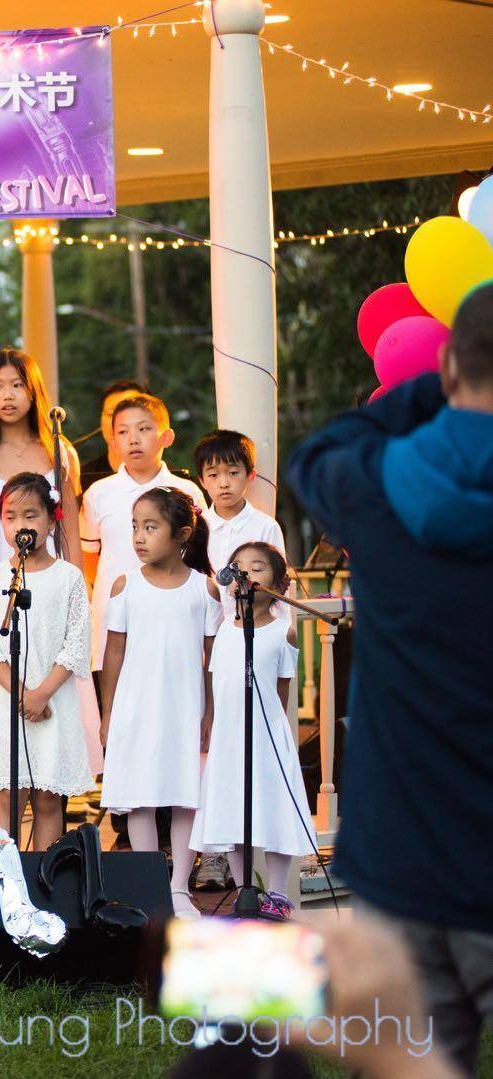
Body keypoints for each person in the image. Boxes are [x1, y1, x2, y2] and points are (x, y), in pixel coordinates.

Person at [288, 285, 493, 1075]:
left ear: (447, 365)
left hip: (400, 861)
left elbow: (318, 451)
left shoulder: (371, 482)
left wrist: (435, 382)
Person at [97, 488, 219, 918]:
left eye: (150, 527)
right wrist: (108, 711)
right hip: (137, 705)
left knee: (186, 795)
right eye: (134, 526)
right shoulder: (125, 585)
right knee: (141, 795)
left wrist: (209, 710)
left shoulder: (204, 590)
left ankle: (180, 887)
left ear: (182, 534)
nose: (139, 536)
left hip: (183, 706)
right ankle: (151, 887)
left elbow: (211, 659)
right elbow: (113, 652)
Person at [0, 473, 93, 851]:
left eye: (31, 515)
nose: (21, 525)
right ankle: (9, 885)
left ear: (51, 518)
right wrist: (23, 695)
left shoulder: (69, 577)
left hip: (54, 699)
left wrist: (42, 694)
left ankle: (44, 882)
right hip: (11, 703)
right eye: (11, 517)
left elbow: (76, 644)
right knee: (9, 795)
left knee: (47, 797)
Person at [190, 541, 313, 917]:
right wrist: (209, 721)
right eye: (238, 566)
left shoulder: (282, 632)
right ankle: (248, 890)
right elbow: (215, 683)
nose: (246, 573)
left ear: (278, 582)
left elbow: (280, 690)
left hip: (265, 734)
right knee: (231, 807)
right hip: (229, 732)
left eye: (257, 568)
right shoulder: (225, 627)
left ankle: (277, 893)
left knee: (274, 809)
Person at [81, 392, 205, 671]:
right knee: (117, 700)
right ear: (113, 440)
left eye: (144, 429)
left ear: (166, 437)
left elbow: (201, 556)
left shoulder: (188, 492)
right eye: (123, 432)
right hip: (115, 616)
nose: (133, 439)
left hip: (174, 613)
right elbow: (89, 557)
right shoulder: (98, 494)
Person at [0, 347, 83, 567]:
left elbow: (71, 535)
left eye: (17, 385)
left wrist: (76, 593)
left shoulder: (60, 453)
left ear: (33, 390)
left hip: (51, 576)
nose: (8, 395)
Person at [194, 429, 286, 574]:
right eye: (213, 475)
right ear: (202, 481)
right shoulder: (196, 528)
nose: (223, 483)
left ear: (250, 475)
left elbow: (278, 586)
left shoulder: (266, 527)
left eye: (233, 473)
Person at [78, 379, 149, 492]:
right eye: (111, 414)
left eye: (130, 412)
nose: (119, 421)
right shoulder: (81, 478)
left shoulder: (172, 482)